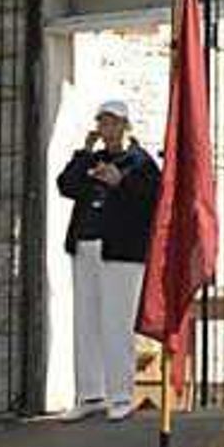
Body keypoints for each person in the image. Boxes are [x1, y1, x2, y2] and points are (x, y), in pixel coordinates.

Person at [57, 98, 163, 419]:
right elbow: (67, 185)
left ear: (126, 126)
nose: (108, 129)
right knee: (86, 321)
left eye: (114, 122)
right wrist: (84, 152)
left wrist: (121, 182)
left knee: (116, 323)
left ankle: (120, 395)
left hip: (121, 251)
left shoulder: (140, 162)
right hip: (86, 246)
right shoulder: (93, 159)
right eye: (103, 122)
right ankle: (90, 394)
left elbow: (151, 198)